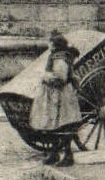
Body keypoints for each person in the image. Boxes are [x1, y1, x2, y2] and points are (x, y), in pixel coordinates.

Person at [30, 31, 82, 166]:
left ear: (55, 44)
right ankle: (54, 153)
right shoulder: (56, 55)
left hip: (61, 95)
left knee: (63, 125)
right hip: (55, 95)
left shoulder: (60, 58)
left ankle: (68, 156)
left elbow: (60, 78)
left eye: (50, 42)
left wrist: (45, 77)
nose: (48, 44)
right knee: (53, 124)